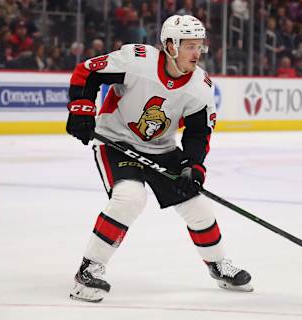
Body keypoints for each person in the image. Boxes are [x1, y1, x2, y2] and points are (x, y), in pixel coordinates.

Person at [66, 14, 253, 303]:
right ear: (170, 45)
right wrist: (81, 109)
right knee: (129, 197)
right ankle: (88, 270)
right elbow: (87, 72)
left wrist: (194, 166)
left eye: (199, 46)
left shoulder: (200, 87)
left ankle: (217, 265)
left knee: (197, 206)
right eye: (190, 46)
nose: (197, 53)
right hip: (116, 142)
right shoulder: (136, 60)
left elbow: (197, 133)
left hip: (162, 149)